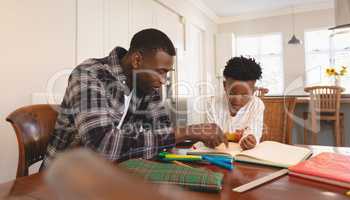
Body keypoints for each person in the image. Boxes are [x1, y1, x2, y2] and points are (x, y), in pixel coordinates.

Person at [42, 28, 227, 168]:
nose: (163, 81)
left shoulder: (146, 84)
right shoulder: (89, 75)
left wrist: (195, 136)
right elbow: (103, 146)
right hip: (63, 176)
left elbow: (162, 131)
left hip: (109, 172)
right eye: (160, 72)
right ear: (137, 60)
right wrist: (188, 131)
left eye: (167, 73)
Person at [206, 56, 265, 150]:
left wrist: (250, 139)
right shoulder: (212, 103)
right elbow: (210, 133)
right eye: (232, 93)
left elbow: (254, 131)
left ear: (253, 90)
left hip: (244, 156)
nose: (237, 100)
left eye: (245, 95)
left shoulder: (257, 105)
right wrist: (210, 138)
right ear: (225, 86)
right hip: (218, 154)